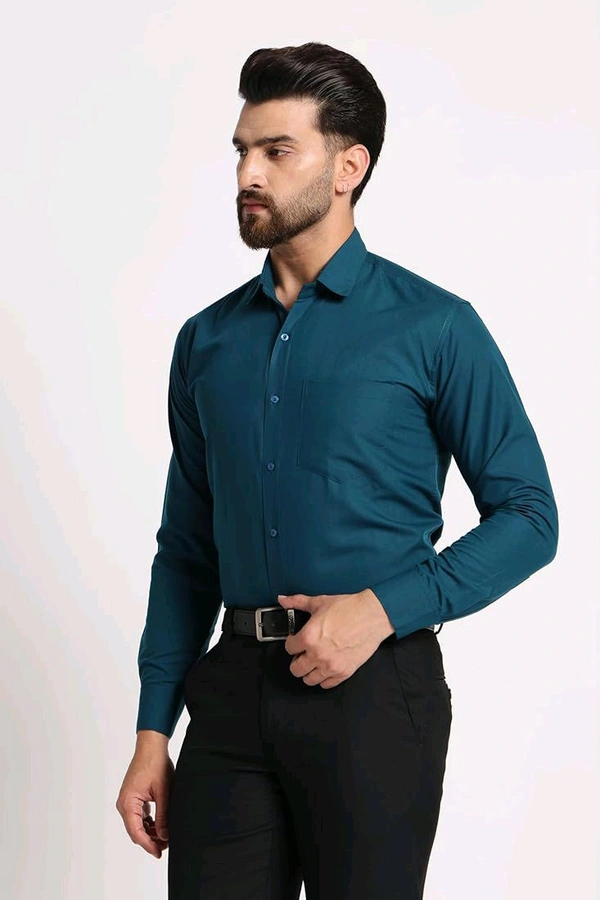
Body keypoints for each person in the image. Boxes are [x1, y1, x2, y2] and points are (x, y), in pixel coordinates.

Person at [116, 41, 559, 900]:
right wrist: (151, 732)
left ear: (348, 168)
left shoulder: (435, 327)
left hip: (373, 691)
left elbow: (530, 517)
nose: (247, 173)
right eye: (242, 150)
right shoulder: (206, 341)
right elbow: (188, 550)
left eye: (276, 151)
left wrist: (383, 610)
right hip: (231, 697)